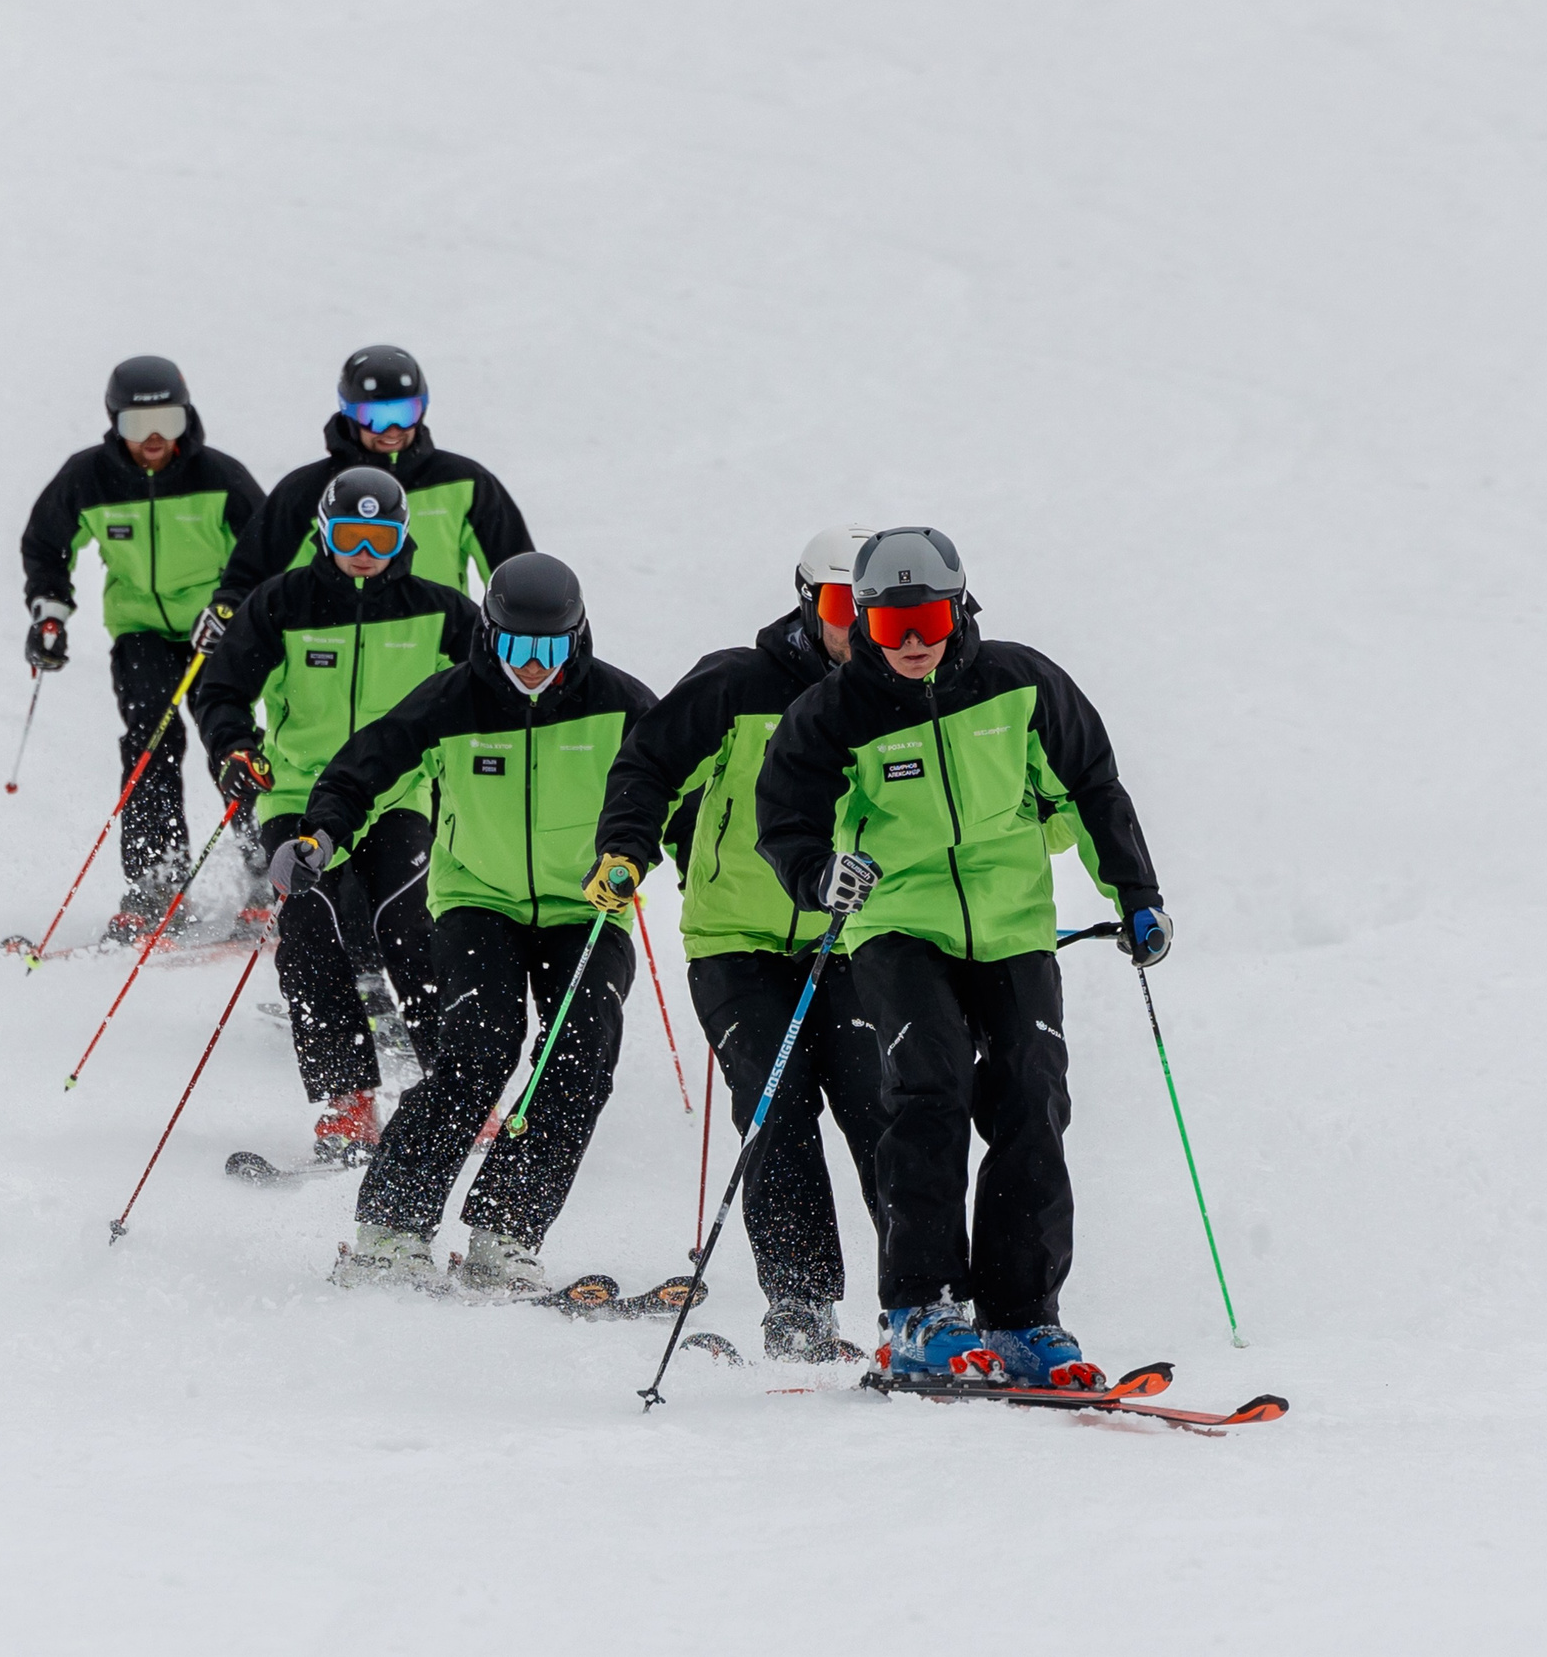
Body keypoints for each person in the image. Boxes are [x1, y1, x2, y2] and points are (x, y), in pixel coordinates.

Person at [753, 527, 1170, 1389]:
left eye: (930, 618)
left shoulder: (1020, 682)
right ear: (863, 620)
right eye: (892, 623)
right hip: (898, 923)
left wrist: (1134, 894)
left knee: (1030, 1091)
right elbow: (784, 815)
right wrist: (818, 874)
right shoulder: (834, 712)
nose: (913, 641)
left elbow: (1093, 782)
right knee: (929, 1088)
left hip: (1012, 921)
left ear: (961, 605)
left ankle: (1023, 1316)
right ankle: (922, 1309)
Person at [286, 554, 658, 1292]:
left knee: (580, 1054)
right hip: (476, 903)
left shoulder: (621, 702)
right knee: (480, 1050)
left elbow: (669, 783)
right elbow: (363, 767)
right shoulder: (450, 702)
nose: (532, 666)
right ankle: (390, 1230)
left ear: (577, 638)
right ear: (489, 636)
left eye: (550, 649)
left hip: (587, 907)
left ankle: (506, 1232)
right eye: (517, 647)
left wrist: (637, 852)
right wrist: (323, 832)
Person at [589, 525, 889, 1362]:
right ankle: (799, 1305)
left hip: (856, 942)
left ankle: (923, 1304)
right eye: (840, 607)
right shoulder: (736, 683)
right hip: (739, 942)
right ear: (807, 602)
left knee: (887, 1113)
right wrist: (628, 846)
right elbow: (649, 768)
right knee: (777, 1104)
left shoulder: (900, 694)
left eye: (871, 610)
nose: (858, 628)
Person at [191, 468, 481, 1162]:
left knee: (410, 921)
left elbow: (497, 691)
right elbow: (221, 688)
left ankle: (460, 1088)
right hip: (296, 793)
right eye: (349, 534)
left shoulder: (441, 611)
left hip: (399, 794)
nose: (363, 549)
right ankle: (349, 1103)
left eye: (380, 536)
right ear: (323, 531)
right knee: (310, 927)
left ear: (403, 535)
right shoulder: (280, 604)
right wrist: (233, 748)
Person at [20, 355, 266, 937]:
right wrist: (50, 611)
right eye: (136, 426)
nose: (154, 439)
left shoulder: (220, 477)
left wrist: (234, 608)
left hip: (217, 632)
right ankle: (157, 884)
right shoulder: (88, 478)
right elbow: (47, 543)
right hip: (142, 631)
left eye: (169, 423)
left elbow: (267, 550)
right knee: (150, 741)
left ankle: (266, 873)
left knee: (230, 743)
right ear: (114, 423)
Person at [198, 346, 532, 651]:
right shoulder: (306, 491)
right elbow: (252, 571)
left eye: (405, 412)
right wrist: (227, 609)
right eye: (375, 416)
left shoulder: (465, 482)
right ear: (349, 413)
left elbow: (516, 575)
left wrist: (530, 633)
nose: (392, 429)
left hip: (432, 654)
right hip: (324, 660)